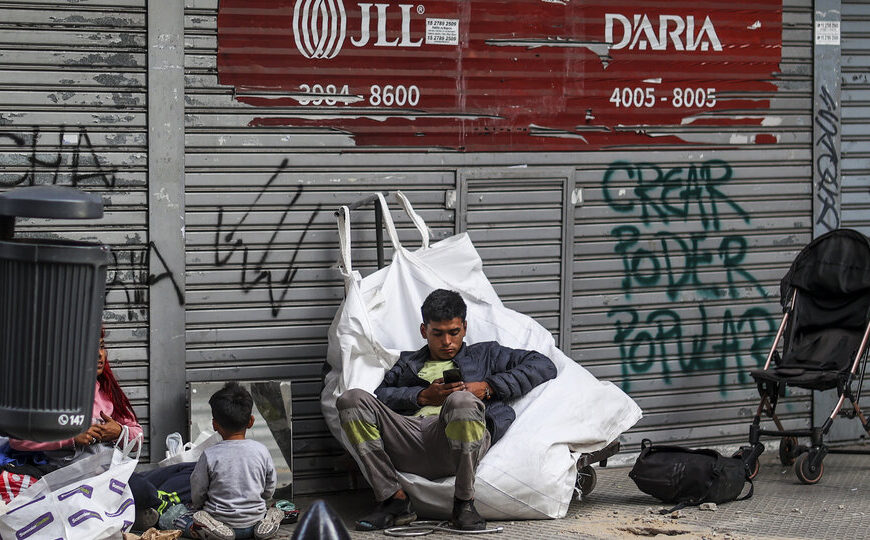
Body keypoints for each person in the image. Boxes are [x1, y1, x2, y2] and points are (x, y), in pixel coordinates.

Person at [335, 288, 558, 531]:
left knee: (461, 400)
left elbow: (543, 365)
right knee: (351, 400)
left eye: (454, 332)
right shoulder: (408, 362)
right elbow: (382, 397)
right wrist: (421, 396)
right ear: (424, 331)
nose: (447, 342)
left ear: (464, 327)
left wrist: (487, 387)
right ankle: (393, 500)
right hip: (408, 437)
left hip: (456, 440)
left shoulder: (486, 355)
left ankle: (464, 503)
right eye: (437, 334)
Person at [4, 326, 174, 529]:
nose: (99, 355)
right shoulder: (49, 394)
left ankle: (131, 510)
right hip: (66, 475)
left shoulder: (107, 393)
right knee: (143, 491)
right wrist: (70, 439)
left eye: (102, 346)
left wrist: (118, 432)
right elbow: (18, 440)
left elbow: (137, 436)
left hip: (107, 472)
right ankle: (136, 510)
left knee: (167, 477)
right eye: (89, 347)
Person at [180, 382, 283, 540]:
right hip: (254, 522)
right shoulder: (261, 450)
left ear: (215, 425)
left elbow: (198, 491)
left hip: (221, 522)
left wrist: (198, 507)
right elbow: (270, 487)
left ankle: (211, 528)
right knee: (264, 510)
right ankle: (267, 520)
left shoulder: (209, 455)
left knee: (175, 518)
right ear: (251, 421)